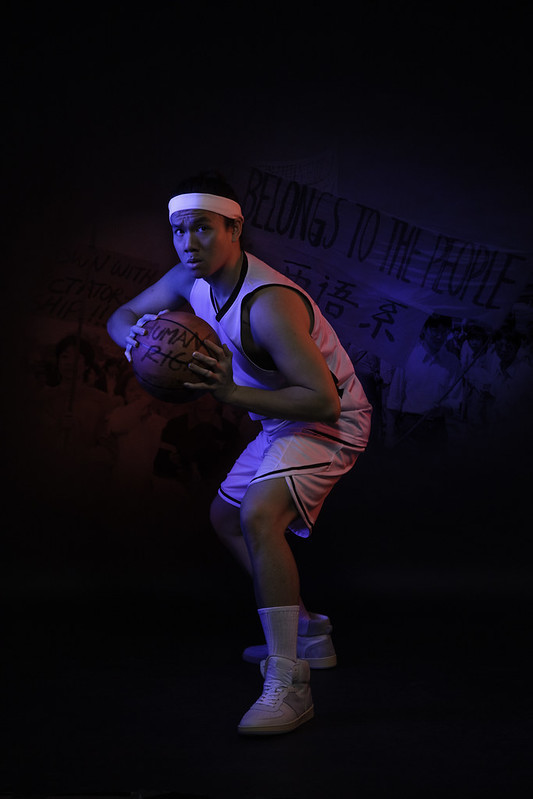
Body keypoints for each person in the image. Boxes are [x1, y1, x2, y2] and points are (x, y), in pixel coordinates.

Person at [107, 172, 372, 735]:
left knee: (257, 515)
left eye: (202, 229)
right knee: (225, 517)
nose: (188, 243)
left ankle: (289, 680)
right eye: (179, 231)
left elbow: (322, 401)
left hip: (332, 422)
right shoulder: (188, 278)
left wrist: (228, 394)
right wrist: (136, 340)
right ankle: (307, 630)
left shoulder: (268, 303)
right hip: (281, 417)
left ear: (234, 228)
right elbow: (120, 316)